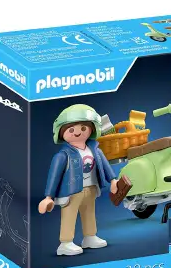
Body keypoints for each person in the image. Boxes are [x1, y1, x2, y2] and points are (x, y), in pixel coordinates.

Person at [38, 104, 118, 256]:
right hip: (71, 191)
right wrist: (48, 197)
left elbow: (105, 166)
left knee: (89, 213)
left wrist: (113, 180)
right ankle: (65, 243)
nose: (77, 132)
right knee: (69, 215)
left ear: (92, 129)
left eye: (83, 128)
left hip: (91, 188)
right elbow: (54, 176)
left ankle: (90, 237)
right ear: (61, 133)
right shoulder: (63, 155)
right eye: (71, 130)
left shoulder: (95, 150)